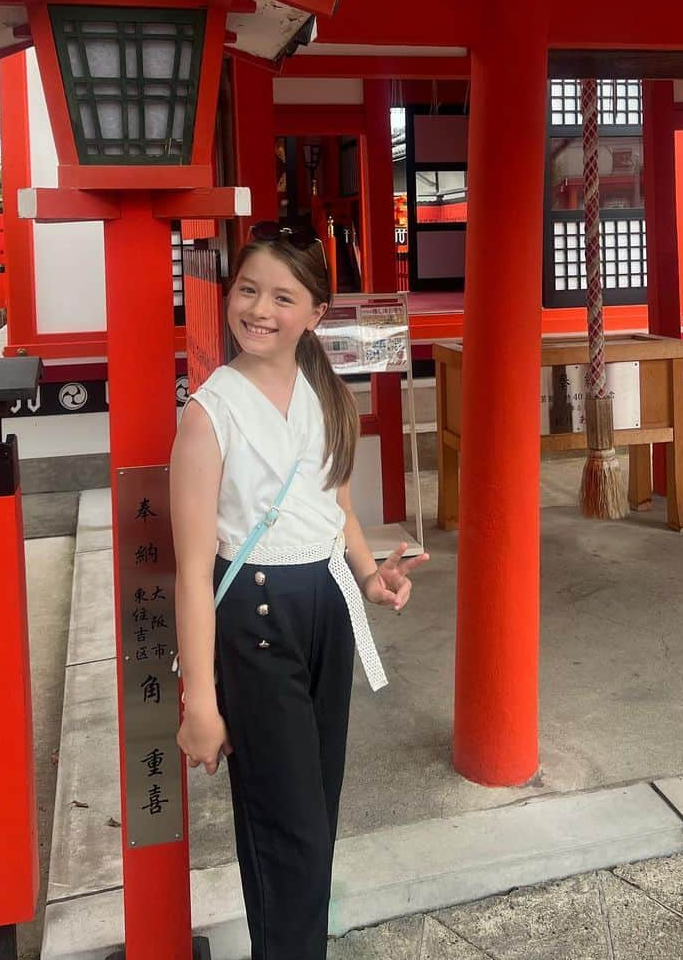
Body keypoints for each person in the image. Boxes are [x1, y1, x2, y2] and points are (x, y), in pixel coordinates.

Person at [170, 221, 427, 960]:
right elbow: (192, 570)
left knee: (315, 818)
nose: (259, 310)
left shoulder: (325, 389)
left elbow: (334, 505)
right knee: (290, 831)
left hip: (327, 610)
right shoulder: (208, 415)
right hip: (251, 618)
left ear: (316, 312)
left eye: (283, 297)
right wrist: (200, 706)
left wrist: (371, 576)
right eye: (248, 290)